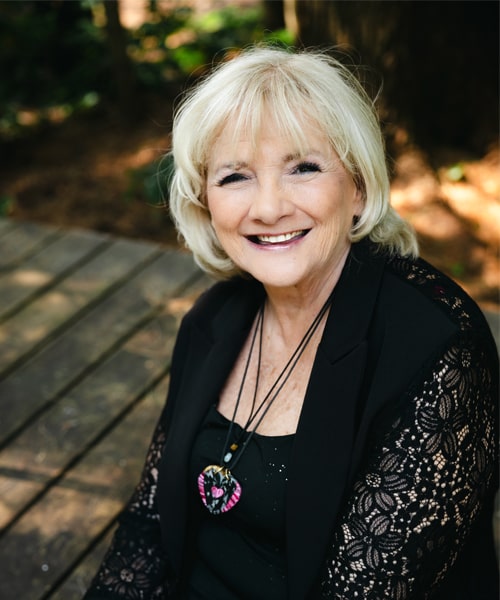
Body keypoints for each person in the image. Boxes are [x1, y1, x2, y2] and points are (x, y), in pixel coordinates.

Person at [84, 46, 498, 599]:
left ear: (358, 187)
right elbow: (150, 522)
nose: (268, 207)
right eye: (236, 176)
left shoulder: (440, 351)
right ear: (205, 200)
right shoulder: (214, 318)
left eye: (303, 168)